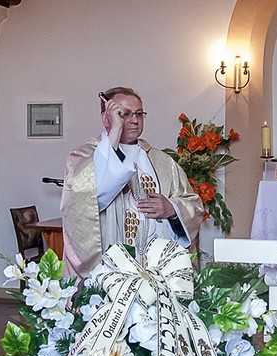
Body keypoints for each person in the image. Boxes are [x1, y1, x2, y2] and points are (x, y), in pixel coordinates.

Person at [60, 87, 203, 278]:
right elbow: (92, 198)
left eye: (139, 114)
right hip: (113, 267)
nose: (134, 120)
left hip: (159, 268)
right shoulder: (85, 157)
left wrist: (172, 209)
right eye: (124, 114)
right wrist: (116, 129)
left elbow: (192, 204)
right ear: (106, 118)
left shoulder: (164, 163)